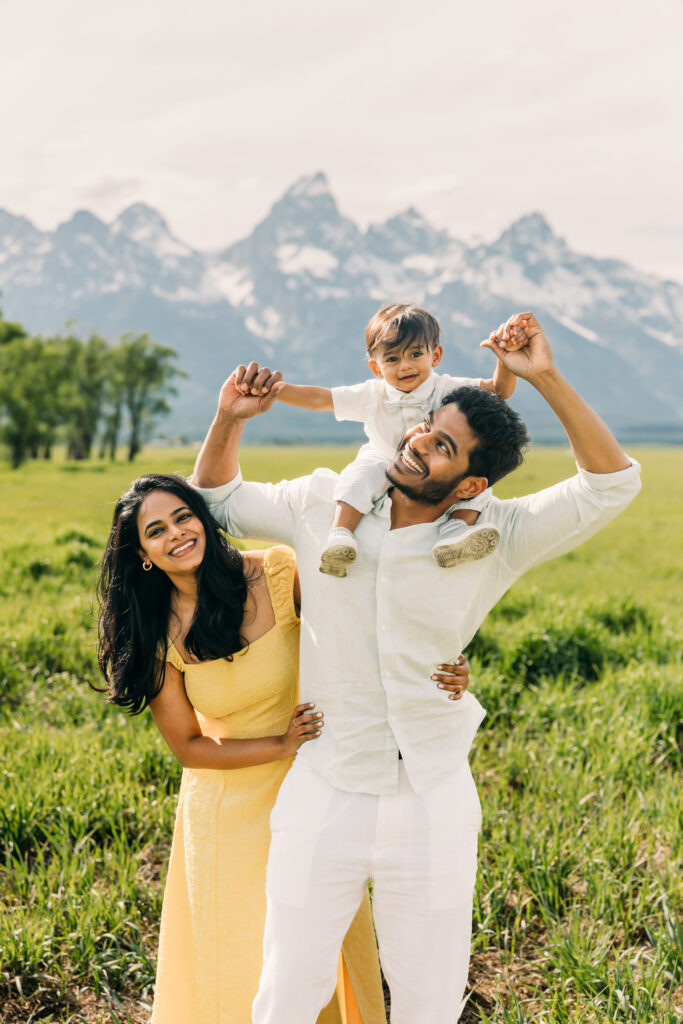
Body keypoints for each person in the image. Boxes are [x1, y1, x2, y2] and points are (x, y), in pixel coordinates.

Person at [192, 311, 642, 1024]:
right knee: (285, 994)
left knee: (429, 1002)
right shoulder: (320, 503)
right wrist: (228, 419)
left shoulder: (496, 536)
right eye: (424, 431)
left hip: (433, 794)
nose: (417, 446)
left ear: (469, 486)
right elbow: (218, 499)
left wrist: (544, 376)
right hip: (325, 785)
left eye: (442, 449)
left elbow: (609, 485)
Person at [96, 473, 470, 1023]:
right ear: (142, 553)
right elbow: (191, 749)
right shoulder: (157, 634)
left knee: (318, 950)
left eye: (183, 516)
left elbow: (365, 620)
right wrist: (281, 743)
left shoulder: (273, 572)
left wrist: (446, 661)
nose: (177, 533)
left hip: (319, 787)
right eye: (157, 530)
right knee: (244, 955)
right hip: (230, 809)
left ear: (203, 516)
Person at [269, 302, 527, 575]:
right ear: (376, 368)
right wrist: (277, 390)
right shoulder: (372, 395)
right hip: (383, 456)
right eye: (392, 359)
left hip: (431, 466)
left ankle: (456, 533)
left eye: (415, 354)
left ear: (435, 355)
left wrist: (504, 358)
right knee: (357, 478)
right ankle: (340, 535)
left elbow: (498, 390)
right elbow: (322, 399)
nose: (405, 366)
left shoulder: (447, 387)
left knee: (475, 483)